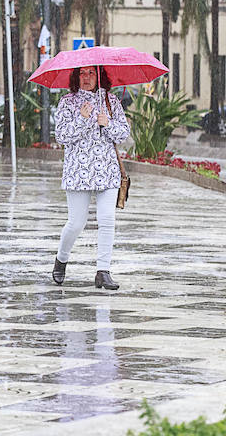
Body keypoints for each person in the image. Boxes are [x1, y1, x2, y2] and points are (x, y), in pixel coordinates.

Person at [51, 66, 130, 290]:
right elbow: (62, 136)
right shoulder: (68, 102)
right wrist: (82, 119)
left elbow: (123, 133)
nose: (87, 78)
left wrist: (108, 123)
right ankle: (61, 259)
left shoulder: (111, 101)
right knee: (76, 223)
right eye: (82, 74)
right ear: (76, 77)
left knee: (107, 220)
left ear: (99, 76)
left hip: (107, 170)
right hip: (78, 171)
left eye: (91, 73)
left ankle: (103, 271)